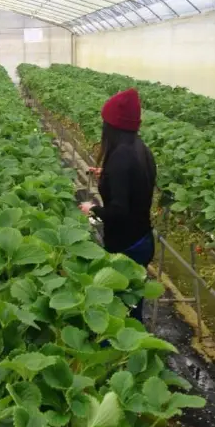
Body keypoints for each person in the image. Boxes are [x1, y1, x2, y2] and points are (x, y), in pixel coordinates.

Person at [80, 88, 157, 323]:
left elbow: (119, 211)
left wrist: (92, 209)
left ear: (112, 126)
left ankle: (122, 352)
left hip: (127, 247)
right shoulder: (139, 148)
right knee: (133, 303)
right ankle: (133, 347)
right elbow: (136, 183)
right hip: (142, 238)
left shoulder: (120, 157)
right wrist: (107, 174)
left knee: (120, 311)